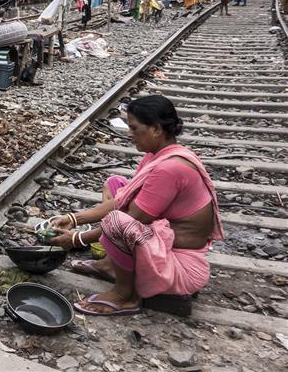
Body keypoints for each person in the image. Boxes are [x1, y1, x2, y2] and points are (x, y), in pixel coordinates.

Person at [49, 95, 223, 316]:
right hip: (164, 247)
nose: (129, 134)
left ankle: (125, 295)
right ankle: (111, 264)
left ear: (157, 129)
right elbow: (123, 199)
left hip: (180, 267)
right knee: (115, 185)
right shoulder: (157, 155)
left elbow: (129, 219)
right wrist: (74, 219)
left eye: (134, 128)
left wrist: (77, 239)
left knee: (118, 221)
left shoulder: (169, 169)